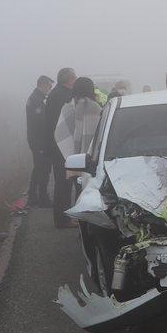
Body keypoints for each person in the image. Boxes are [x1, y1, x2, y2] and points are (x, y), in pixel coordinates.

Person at [55, 77, 103, 199]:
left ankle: (66, 211)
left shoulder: (67, 107)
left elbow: (60, 133)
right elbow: (99, 133)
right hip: (91, 158)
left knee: (72, 188)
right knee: (87, 190)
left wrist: (71, 153)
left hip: (72, 160)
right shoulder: (95, 108)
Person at [44, 67, 77, 228]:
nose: (76, 81)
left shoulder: (56, 93)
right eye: (74, 78)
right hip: (61, 146)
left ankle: (63, 217)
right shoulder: (63, 96)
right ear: (69, 80)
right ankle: (62, 220)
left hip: (56, 144)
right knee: (63, 183)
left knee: (64, 182)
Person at [25, 75, 54, 208]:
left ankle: (33, 196)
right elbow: (41, 122)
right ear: (42, 84)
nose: (50, 89)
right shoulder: (36, 100)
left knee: (38, 168)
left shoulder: (36, 98)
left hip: (37, 139)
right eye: (49, 86)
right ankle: (42, 198)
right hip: (39, 140)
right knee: (43, 169)